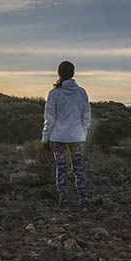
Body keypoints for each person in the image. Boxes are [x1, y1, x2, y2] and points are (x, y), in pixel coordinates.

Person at [41, 60, 91, 205]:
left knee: (61, 169)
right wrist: (83, 132)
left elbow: (49, 118)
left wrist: (45, 139)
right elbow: (86, 115)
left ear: (59, 73)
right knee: (78, 169)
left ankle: (64, 200)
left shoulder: (54, 93)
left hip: (58, 137)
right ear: (73, 73)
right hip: (77, 137)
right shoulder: (81, 92)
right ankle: (84, 199)